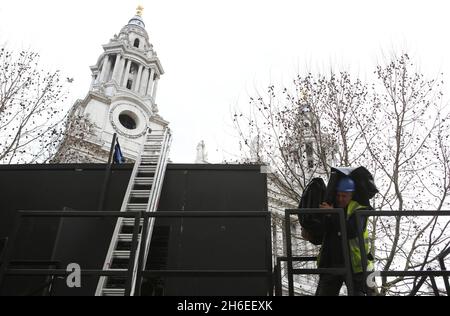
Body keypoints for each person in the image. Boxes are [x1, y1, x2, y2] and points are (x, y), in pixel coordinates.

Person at [315, 176, 374, 296]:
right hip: (332, 263)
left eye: (344, 196)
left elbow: (351, 230)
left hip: (355, 266)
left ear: (351, 195)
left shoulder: (359, 209)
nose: (340, 199)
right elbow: (322, 233)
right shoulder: (331, 207)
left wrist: (332, 214)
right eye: (338, 195)